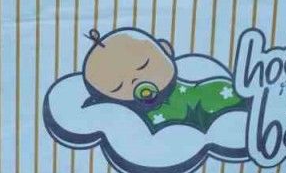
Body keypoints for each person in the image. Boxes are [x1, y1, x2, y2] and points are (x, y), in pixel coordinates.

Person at [80, 27, 243, 133]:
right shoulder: (133, 127)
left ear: (166, 49)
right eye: (118, 86)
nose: (135, 80)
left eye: (144, 65)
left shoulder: (212, 90)